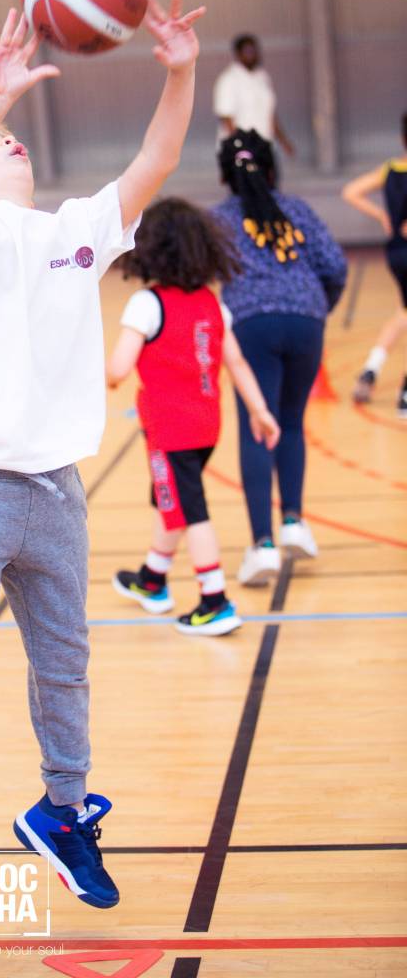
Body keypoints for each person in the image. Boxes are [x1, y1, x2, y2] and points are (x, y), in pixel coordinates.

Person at [0, 0, 205, 970]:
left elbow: (153, 165)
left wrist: (179, 71)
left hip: (54, 495)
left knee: (65, 672)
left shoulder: (74, 231)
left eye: (13, 136)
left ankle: (60, 815)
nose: (14, 145)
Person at [107, 198, 280, 637]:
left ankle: (214, 599)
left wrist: (99, 372)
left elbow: (117, 371)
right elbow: (236, 363)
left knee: (190, 509)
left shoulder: (147, 304)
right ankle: (153, 578)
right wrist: (259, 410)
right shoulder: (211, 303)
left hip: (170, 430)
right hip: (206, 426)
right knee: (170, 501)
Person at [212, 129, 347, 586]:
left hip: (251, 325)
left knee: (257, 427)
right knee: (290, 422)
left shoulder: (220, 219)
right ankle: (293, 521)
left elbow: (194, 268)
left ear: (225, 176)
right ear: (272, 169)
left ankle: (263, 548)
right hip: (307, 320)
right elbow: (335, 266)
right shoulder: (298, 210)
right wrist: (313, 311)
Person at [342, 113, 407, 416]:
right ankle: (405, 392)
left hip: (395, 252)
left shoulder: (390, 169)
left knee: (404, 312)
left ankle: (370, 369)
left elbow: (351, 192)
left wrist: (383, 216)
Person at [213, 34, 294, 178]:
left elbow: (269, 113)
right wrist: (240, 148)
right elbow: (226, 117)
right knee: (246, 193)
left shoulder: (262, 77)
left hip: (265, 146)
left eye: (254, 51)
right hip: (243, 149)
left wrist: (283, 141)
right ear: (238, 54)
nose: (253, 55)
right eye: (248, 52)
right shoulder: (229, 80)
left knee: (269, 191)